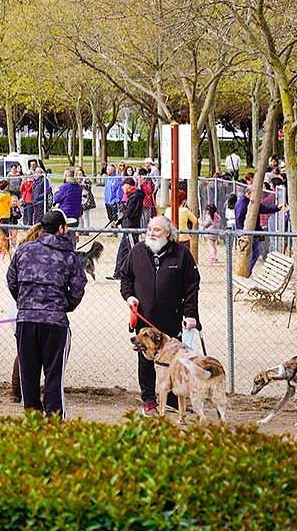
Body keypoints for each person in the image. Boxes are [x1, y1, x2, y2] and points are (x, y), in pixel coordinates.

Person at [6, 209, 86, 418]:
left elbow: (11, 281)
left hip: (27, 320)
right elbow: (78, 287)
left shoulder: (24, 250)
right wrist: (63, 305)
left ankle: (32, 417)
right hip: (54, 323)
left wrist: (26, 302)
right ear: (62, 229)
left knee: (29, 373)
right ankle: (53, 418)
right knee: (54, 375)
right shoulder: (69, 256)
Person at [120, 216, 201, 416]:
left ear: (168, 233)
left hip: (172, 318)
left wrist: (190, 315)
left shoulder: (181, 254)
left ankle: (173, 399)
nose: (151, 233)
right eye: (149, 229)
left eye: (156, 230)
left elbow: (192, 286)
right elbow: (125, 278)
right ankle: (148, 399)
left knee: (174, 361)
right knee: (146, 360)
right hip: (144, 318)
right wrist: (130, 297)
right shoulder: (137, 251)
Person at [233, 180, 283, 272]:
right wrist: (242, 233)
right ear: (248, 193)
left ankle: (247, 271)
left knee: (255, 253)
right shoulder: (243, 203)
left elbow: (263, 208)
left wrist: (277, 208)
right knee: (250, 254)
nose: (259, 196)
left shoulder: (251, 202)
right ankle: (246, 271)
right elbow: (239, 219)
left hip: (252, 233)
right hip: (247, 233)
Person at [108, 178, 145, 280]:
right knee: (123, 251)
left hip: (131, 229)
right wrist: (118, 221)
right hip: (127, 228)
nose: (122, 189)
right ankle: (118, 273)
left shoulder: (135, 197)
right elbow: (127, 214)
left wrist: (122, 207)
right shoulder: (132, 197)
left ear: (128, 186)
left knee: (133, 251)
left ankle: (139, 273)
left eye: (123, 186)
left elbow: (129, 213)